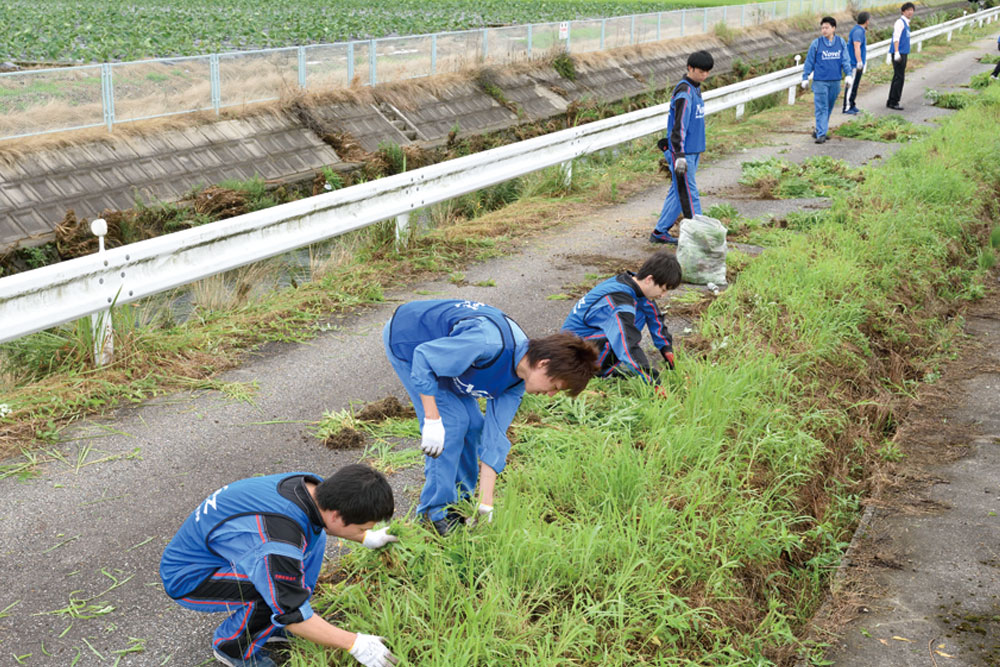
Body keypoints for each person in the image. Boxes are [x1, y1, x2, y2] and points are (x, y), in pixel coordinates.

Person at [383, 299, 598, 535]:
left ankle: (459, 504)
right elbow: (425, 358)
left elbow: (493, 438)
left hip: (448, 358)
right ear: (543, 364)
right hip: (410, 341)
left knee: (474, 426)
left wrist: (485, 504)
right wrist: (433, 420)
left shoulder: (516, 383)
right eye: (555, 386)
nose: (550, 395)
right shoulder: (487, 343)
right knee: (453, 423)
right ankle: (434, 514)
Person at [160, 465, 399, 667]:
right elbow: (290, 612)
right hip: (189, 576)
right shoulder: (278, 537)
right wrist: (354, 643)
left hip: (221, 553)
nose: (363, 532)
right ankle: (232, 648)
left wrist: (367, 538)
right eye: (362, 528)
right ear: (337, 515)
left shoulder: (312, 489)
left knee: (312, 539)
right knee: (275, 595)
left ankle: (268, 627)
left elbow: (327, 524)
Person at [561, 251, 681, 383]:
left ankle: (604, 369)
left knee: (641, 313)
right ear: (649, 279)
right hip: (572, 353)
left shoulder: (634, 286)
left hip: (588, 339)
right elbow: (626, 342)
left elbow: (655, 318)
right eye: (663, 290)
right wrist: (652, 379)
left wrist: (666, 349)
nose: (663, 295)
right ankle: (595, 374)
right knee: (621, 333)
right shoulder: (619, 299)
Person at [650, 50, 714, 244]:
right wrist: (679, 155)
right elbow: (679, 126)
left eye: (707, 72)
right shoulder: (685, 92)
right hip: (683, 154)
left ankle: (660, 232)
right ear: (690, 68)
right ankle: (699, 237)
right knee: (688, 193)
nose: (704, 75)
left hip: (692, 151)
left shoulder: (694, 88)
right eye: (701, 71)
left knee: (678, 192)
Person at [801, 16, 852, 144]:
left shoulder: (840, 43)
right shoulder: (816, 44)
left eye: (827, 27)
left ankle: (819, 129)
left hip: (835, 81)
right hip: (820, 81)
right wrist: (805, 77)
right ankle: (822, 134)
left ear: (833, 28)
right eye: (822, 28)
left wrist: (849, 74)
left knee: (828, 107)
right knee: (821, 107)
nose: (824, 30)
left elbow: (845, 60)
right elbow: (809, 61)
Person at [887, 2, 916, 110]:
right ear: (903, 11)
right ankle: (894, 102)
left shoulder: (906, 23)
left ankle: (891, 100)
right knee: (899, 77)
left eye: (912, 10)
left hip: (903, 52)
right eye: (908, 10)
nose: (910, 12)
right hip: (899, 52)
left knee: (897, 76)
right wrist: (897, 52)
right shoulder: (900, 22)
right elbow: (896, 38)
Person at [843, 12, 870, 114]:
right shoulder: (858, 31)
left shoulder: (859, 30)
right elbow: (856, 46)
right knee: (851, 84)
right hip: (853, 63)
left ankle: (852, 104)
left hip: (856, 62)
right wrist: (859, 61)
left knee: (855, 85)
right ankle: (847, 107)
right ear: (867, 21)